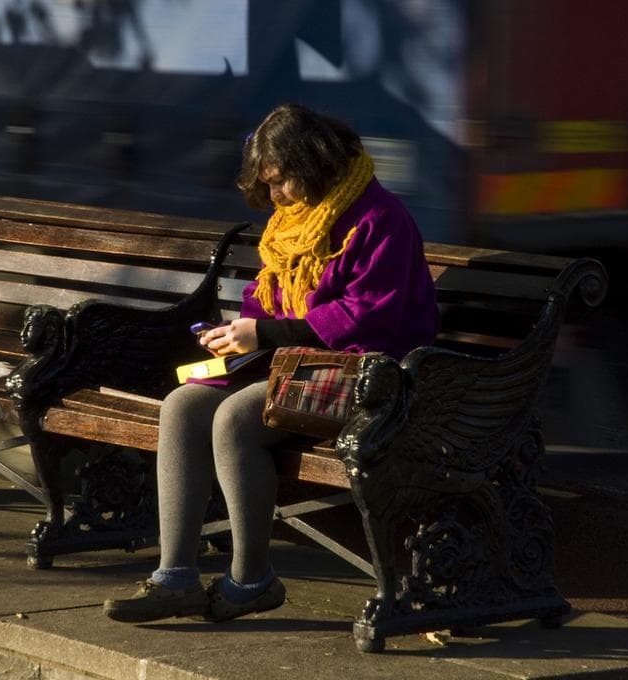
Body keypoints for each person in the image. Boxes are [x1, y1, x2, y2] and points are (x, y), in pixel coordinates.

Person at [102, 103, 438, 623]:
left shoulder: (379, 219)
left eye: (281, 182)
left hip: (369, 375)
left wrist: (262, 332)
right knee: (183, 405)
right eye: (268, 185)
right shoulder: (292, 222)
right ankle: (175, 579)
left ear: (314, 163)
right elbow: (270, 300)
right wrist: (237, 338)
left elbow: (364, 317)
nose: (275, 196)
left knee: (237, 419)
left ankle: (251, 579)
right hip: (294, 362)